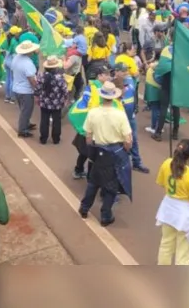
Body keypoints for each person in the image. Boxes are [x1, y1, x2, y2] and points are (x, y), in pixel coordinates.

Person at [78, 82, 133, 227]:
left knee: (93, 182)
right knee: (111, 186)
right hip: (114, 152)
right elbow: (128, 139)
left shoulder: (93, 112)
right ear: (113, 97)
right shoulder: (120, 115)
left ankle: (84, 208)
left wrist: (92, 150)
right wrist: (126, 150)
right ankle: (105, 215)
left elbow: (88, 136)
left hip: (98, 150)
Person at [155, 139, 189, 265]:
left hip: (168, 208)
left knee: (166, 245)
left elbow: (161, 183)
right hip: (185, 214)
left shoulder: (166, 163)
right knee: (183, 253)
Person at [35, 56, 69, 145]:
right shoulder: (60, 78)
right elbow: (65, 90)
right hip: (57, 103)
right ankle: (56, 138)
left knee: (44, 120)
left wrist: (37, 97)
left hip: (44, 102)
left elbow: (37, 89)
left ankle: (43, 138)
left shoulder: (41, 76)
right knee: (56, 121)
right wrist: (65, 99)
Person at [11, 40, 40, 138]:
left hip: (16, 87)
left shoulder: (16, 58)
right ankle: (22, 130)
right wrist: (37, 89)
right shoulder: (28, 63)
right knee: (26, 110)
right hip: (25, 90)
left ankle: (26, 123)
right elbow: (31, 78)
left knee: (23, 109)